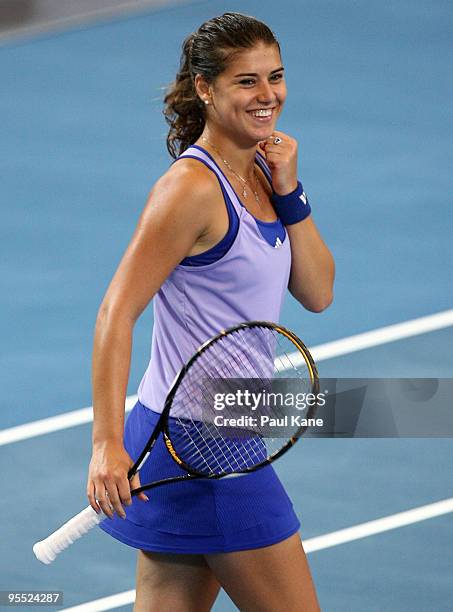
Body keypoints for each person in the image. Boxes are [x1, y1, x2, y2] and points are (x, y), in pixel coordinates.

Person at [87, 12, 334, 612]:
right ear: (205, 88)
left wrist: (291, 193)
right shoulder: (190, 190)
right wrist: (104, 441)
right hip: (203, 440)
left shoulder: (262, 174)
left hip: (210, 427)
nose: (267, 94)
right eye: (246, 82)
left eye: (274, 77)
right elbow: (116, 313)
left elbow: (319, 292)